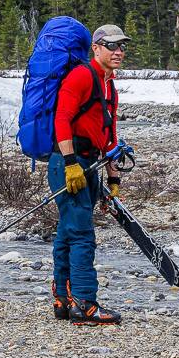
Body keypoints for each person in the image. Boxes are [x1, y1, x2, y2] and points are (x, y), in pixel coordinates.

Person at [49, 24, 130, 326]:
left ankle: (63, 301)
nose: (118, 51)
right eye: (111, 46)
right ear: (95, 48)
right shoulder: (82, 75)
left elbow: (107, 132)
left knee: (67, 232)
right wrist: (70, 163)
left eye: (122, 46)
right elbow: (62, 118)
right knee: (82, 234)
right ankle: (84, 303)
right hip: (68, 163)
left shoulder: (109, 83)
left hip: (90, 162)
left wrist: (113, 179)